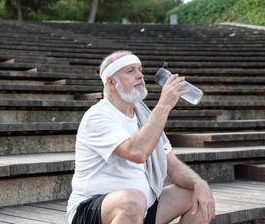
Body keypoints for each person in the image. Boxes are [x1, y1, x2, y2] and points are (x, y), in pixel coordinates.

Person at [67, 50, 215, 224]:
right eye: (130, 71)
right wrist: (164, 106)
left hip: (142, 209)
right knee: (133, 201)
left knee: (195, 195)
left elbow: (173, 166)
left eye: (139, 69)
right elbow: (137, 152)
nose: (140, 75)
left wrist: (199, 183)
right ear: (111, 81)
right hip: (92, 210)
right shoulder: (98, 117)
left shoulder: (144, 115)